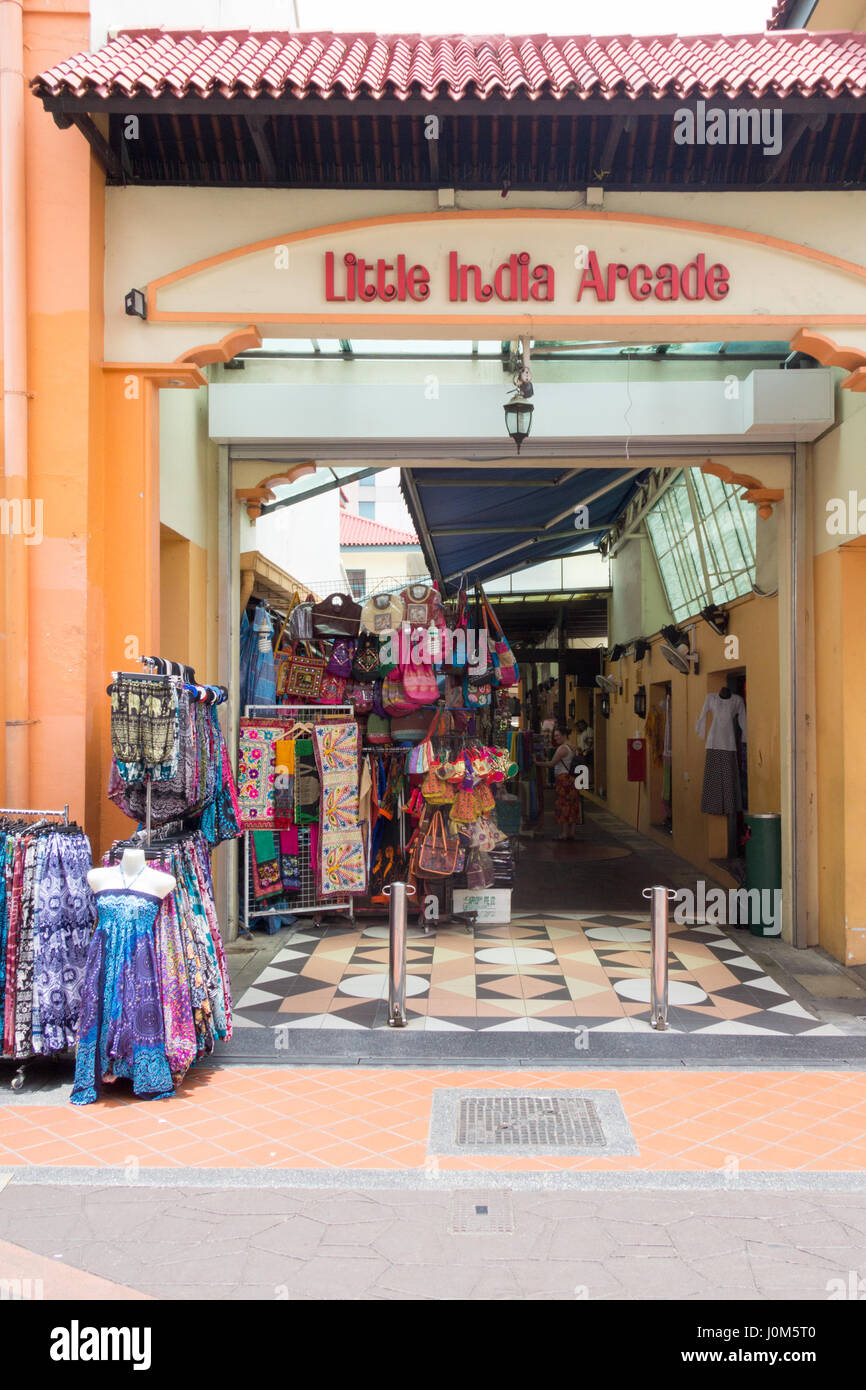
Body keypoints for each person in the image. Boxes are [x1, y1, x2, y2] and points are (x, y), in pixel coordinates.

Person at [536, 724, 583, 840]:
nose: (555, 738)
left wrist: (537, 763)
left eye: (557, 736)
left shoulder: (562, 749)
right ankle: (572, 832)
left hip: (564, 780)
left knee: (564, 805)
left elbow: (551, 764)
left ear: (564, 735)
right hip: (572, 779)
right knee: (572, 804)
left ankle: (564, 833)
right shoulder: (573, 747)